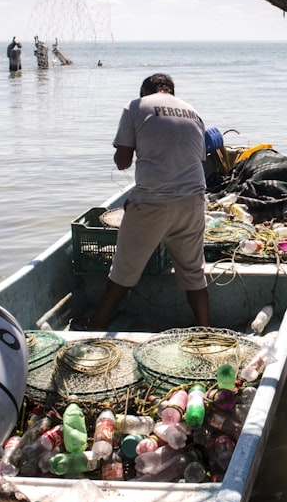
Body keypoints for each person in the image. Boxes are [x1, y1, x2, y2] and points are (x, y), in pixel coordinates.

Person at [71, 73, 210, 331]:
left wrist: (124, 152)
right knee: (194, 271)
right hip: (194, 200)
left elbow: (123, 161)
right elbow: (192, 159)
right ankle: (206, 329)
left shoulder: (135, 106)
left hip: (153, 202)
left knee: (124, 268)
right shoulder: (193, 112)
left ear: (144, 91)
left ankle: (97, 323)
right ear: (171, 91)